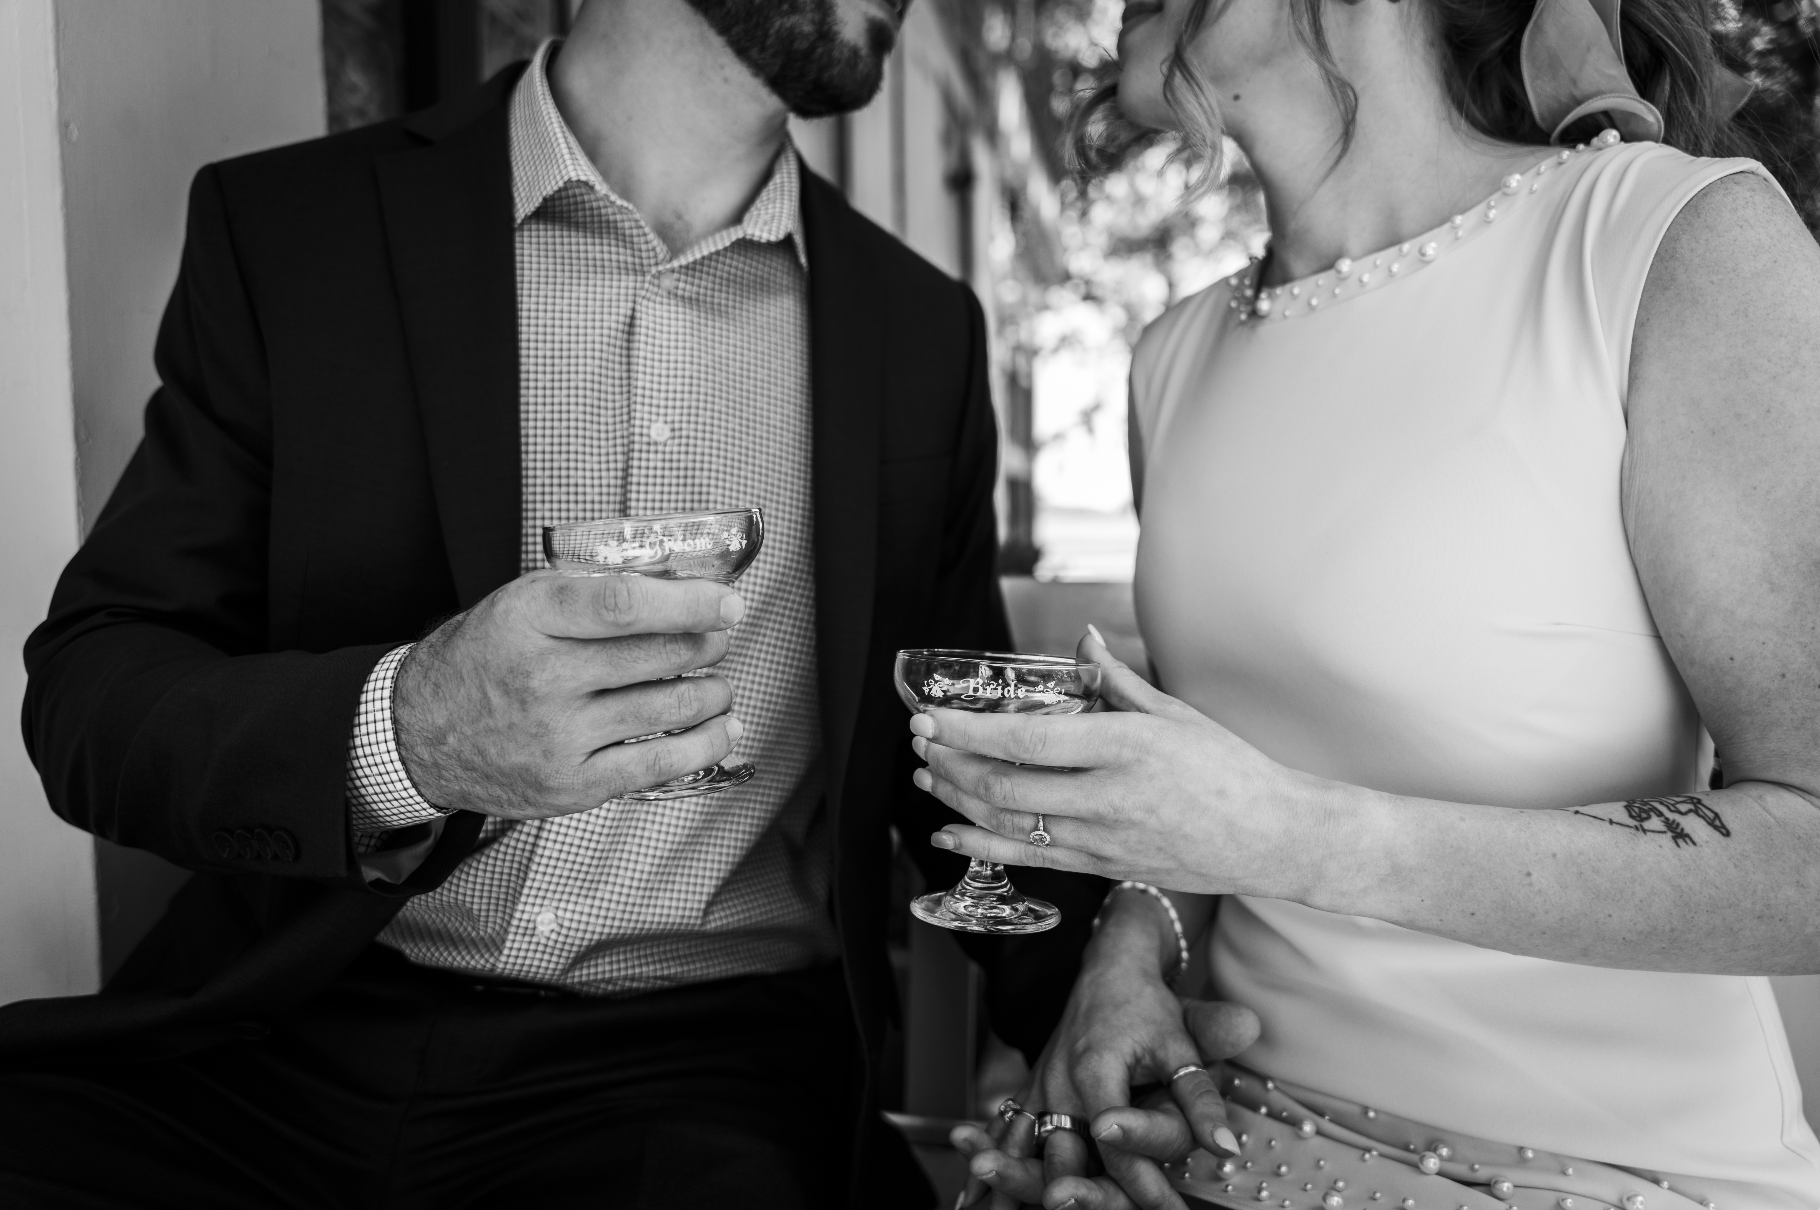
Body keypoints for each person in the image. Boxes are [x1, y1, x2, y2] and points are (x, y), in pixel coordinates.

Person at [0, 1, 1106, 1206]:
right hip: (275, 1033)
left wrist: (1098, 1000)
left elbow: (957, 756)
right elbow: (91, 696)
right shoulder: (294, 230)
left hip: (699, 1079)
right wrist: (409, 732)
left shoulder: (916, 332)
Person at [916, 0, 1820, 1207]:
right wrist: (1129, 955)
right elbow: (1208, 793)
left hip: (1599, 1168)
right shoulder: (1173, 355)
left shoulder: (1666, 242)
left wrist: (1287, 836)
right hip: (1222, 1144)